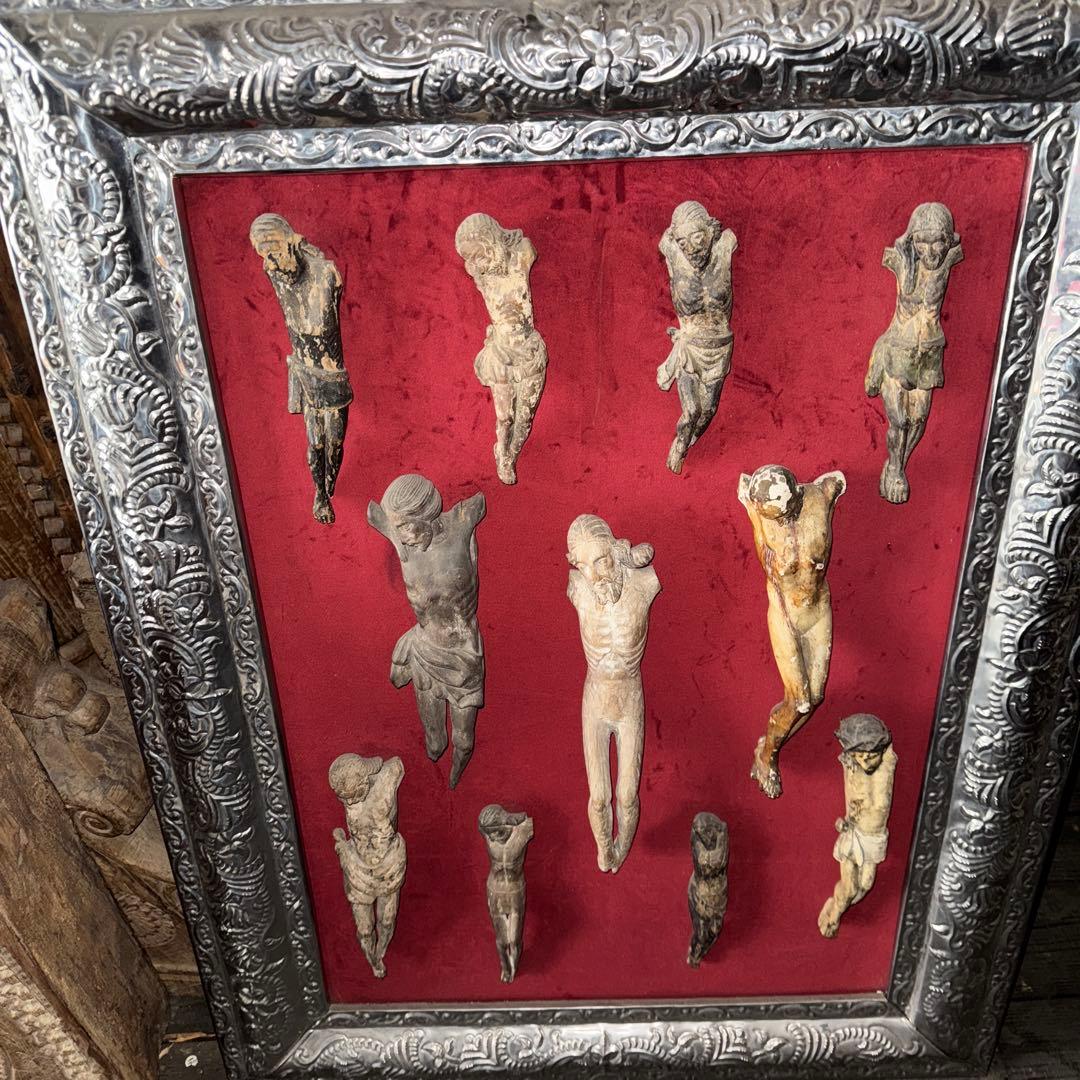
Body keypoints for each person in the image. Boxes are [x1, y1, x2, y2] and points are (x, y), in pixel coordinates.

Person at [367, 474, 485, 788]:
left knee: (464, 742)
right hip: (425, 649)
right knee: (435, 745)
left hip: (464, 652)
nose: (403, 538)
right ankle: (440, 787)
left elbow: (480, 502)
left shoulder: (460, 525)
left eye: (406, 528)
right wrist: (395, 526)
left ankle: (454, 784)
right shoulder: (403, 543)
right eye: (397, 531)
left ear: (425, 516)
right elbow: (374, 514)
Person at [738, 465, 846, 798]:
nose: (782, 521)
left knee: (815, 698)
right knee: (799, 701)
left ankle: (771, 741)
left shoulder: (821, 496)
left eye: (785, 513)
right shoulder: (759, 512)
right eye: (775, 517)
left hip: (818, 610)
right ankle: (767, 754)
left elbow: (837, 481)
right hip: (786, 614)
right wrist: (759, 513)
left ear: (797, 494)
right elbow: (746, 489)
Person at [566, 514, 661, 872]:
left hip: (629, 697)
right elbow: (586, 576)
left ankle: (622, 848)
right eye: (583, 566)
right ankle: (604, 849)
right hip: (595, 697)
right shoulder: (579, 587)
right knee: (599, 796)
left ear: (615, 550)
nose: (593, 576)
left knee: (627, 795)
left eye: (600, 561)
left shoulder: (644, 583)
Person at [250, 213, 352, 524]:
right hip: (305, 370)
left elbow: (321, 321)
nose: (270, 261)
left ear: (292, 242)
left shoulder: (326, 274)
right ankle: (320, 494)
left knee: (335, 442)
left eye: (274, 250)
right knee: (315, 443)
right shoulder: (275, 275)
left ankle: (329, 484)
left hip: (331, 374)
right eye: (264, 254)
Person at [866, 202, 963, 503]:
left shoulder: (949, 259)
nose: (931, 252)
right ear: (912, 240)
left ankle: (897, 465)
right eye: (923, 242)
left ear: (947, 242)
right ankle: (896, 470)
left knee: (919, 419)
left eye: (938, 243)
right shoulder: (900, 261)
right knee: (899, 421)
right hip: (898, 350)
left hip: (930, 352)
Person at [456, 213, 548, 485]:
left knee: (524, 418)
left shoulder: (522, 255)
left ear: (489, 241)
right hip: (501, 354)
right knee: (505, 417)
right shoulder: (480, 276)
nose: (473, 264)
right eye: (468, 258)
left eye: (477, 255)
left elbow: (521, 245)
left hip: (529, 352)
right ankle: (501, 451)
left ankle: (509, 457)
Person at [657, 201, 738, 474]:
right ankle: (680, 445)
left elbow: (726, 237)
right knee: (691, 410)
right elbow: (666, 240)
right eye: (683, 241)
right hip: (690, 347)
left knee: (709, 410)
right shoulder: (673, 253)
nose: (691, 248)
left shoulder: (724, 246)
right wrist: (675, 237)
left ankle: (689, 438)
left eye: (697, 238)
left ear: (710, 231)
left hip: (720, 346)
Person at [818, 714, 897, 938]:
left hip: (875, 836)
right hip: (855, 832)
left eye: (871, 757)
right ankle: (835, 912)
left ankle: (839, 904)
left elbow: (884, 746)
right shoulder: (851, 765)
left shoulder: (886, 763)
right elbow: (848, 750)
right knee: (850, 887)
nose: (866, 763)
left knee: (866, 884)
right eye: (860, 756)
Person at [329, 753, 406, 978]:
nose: (350, 801)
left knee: (387, 920)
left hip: (389, 864)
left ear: (365, 780)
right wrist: (342, 846)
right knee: (364, 930)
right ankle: (373, 960)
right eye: (345, 799)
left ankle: (381, 952)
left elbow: (395, 763)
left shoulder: (387, 779)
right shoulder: (347, 793)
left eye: (354, 795)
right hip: (358, 867)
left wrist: (373, 765)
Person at [478, 804, 534, 983]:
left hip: (515, 890)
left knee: (514, 940)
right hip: (495, 890)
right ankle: (505, 966)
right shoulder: (487, 834)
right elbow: (482, 826)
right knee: (502, 941)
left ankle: (515, 960)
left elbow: (526, 818)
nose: (492, 837)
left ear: (502, 824)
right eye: (489, 833)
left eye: (494, 832)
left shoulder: (522, 833)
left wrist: (511, 818)